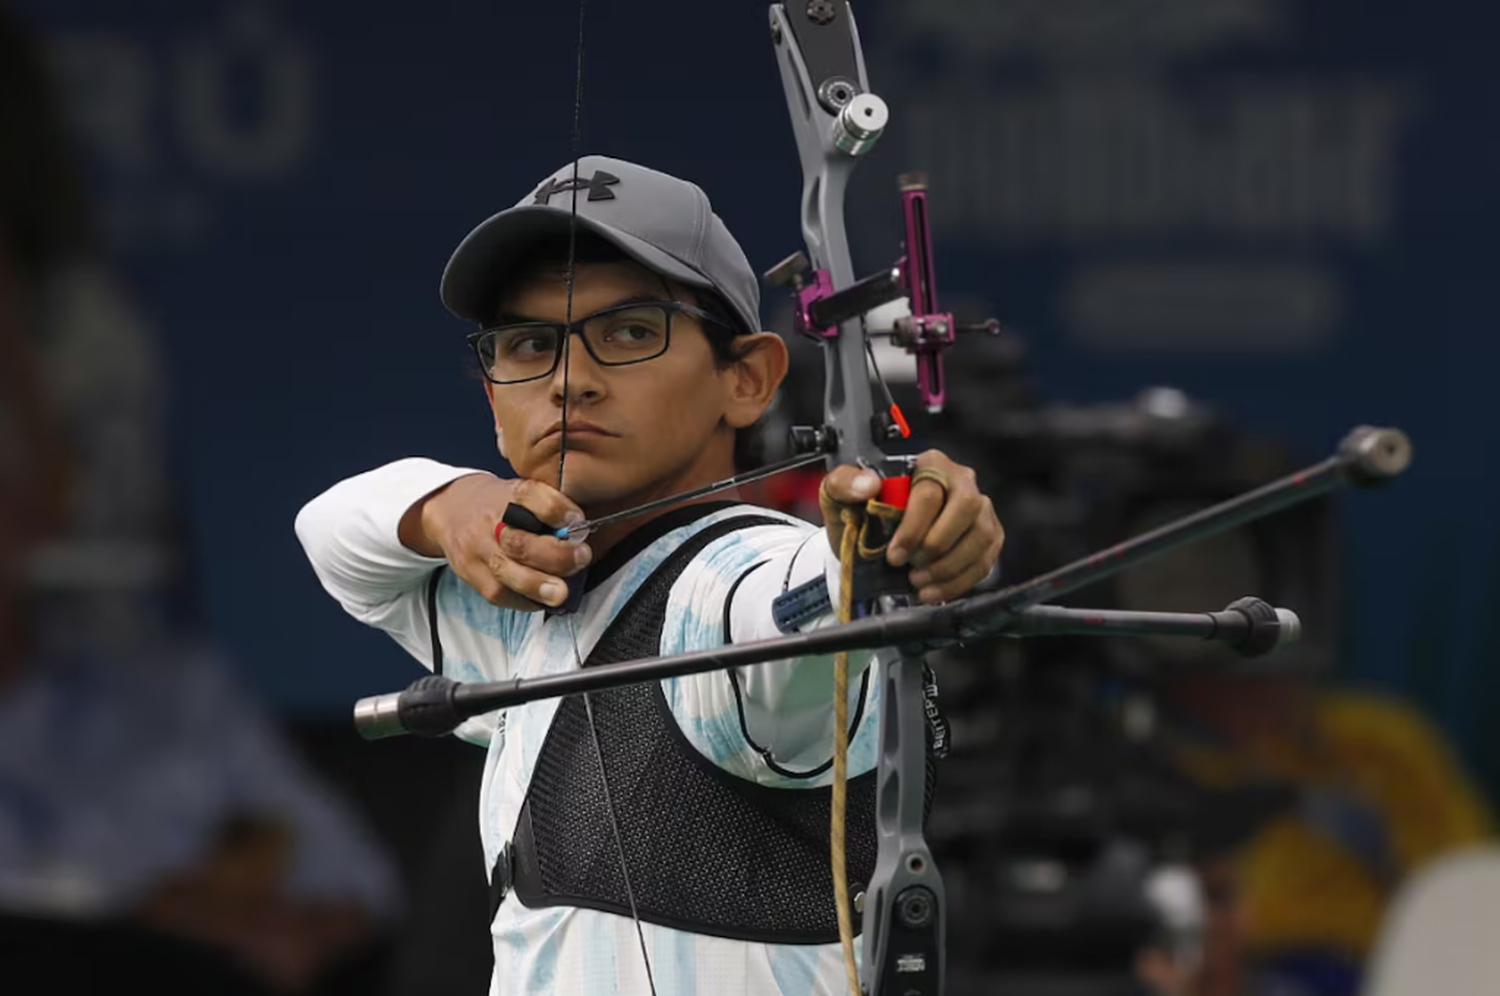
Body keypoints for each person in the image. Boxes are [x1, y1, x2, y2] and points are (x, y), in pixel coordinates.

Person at [296, 155, 1006, 996]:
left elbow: (794, 612)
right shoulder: (518, 600)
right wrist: (450, 505)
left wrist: (888, 544)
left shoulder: (730, 580)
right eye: (529, 345)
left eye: (631, 331)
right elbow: (331, 531)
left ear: (747, 379)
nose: (568, 381)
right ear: (492, 402)